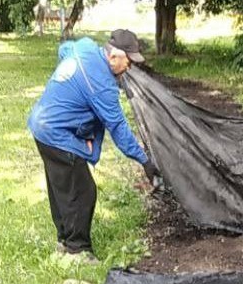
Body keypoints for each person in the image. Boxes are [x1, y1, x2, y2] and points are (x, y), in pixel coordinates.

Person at [28, 29, 161, 262]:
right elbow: (118, 128)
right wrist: (145, 161)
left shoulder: (86, 47)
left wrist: (70, 87)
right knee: (82, 192)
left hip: (41, 124)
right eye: (128, 62)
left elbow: (64, 50)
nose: (129, 68)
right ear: (113, 57)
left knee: (61, 187)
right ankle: (77, 251)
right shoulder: (102, 85)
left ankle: (64, 241)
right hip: (57, 134)